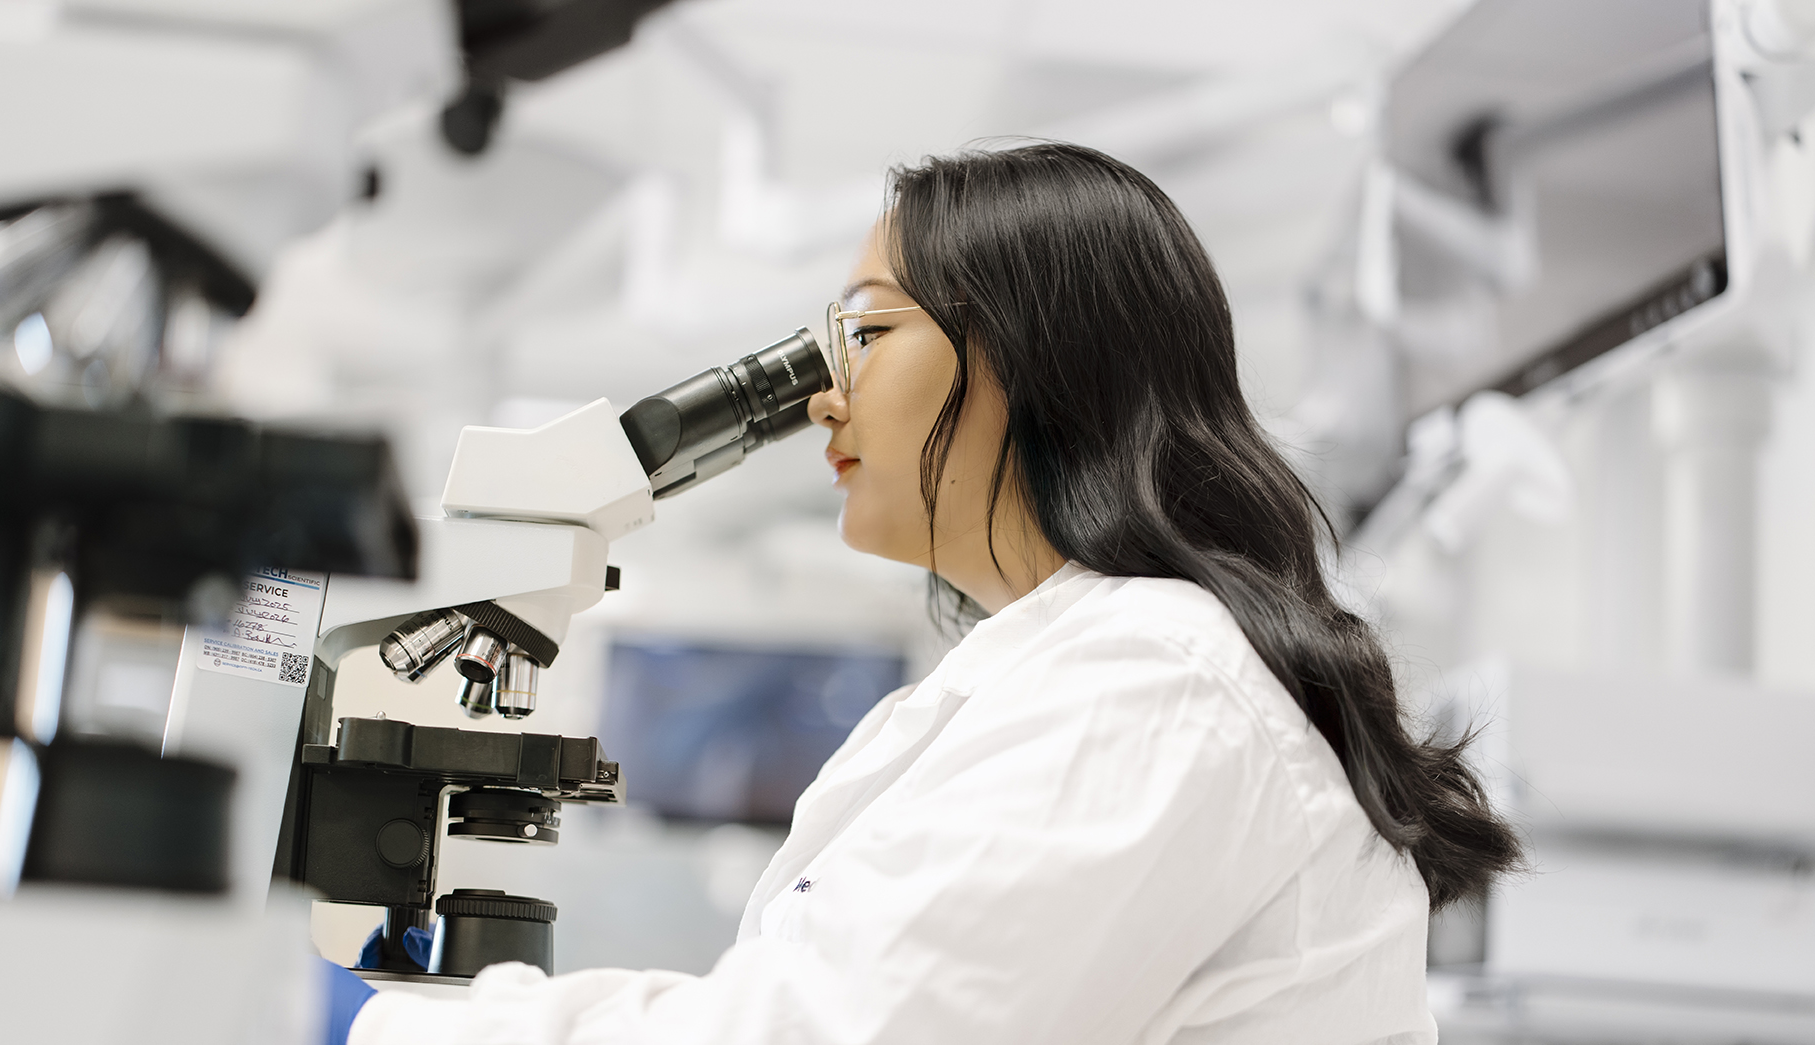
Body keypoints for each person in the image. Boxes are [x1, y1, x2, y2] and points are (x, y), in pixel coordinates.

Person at [339, 142, 1520, 1045]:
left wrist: (430, 1022)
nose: (821, 398)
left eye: (864, 334)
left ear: (1024, 353)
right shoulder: (1084, 670)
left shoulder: (1156, 682)